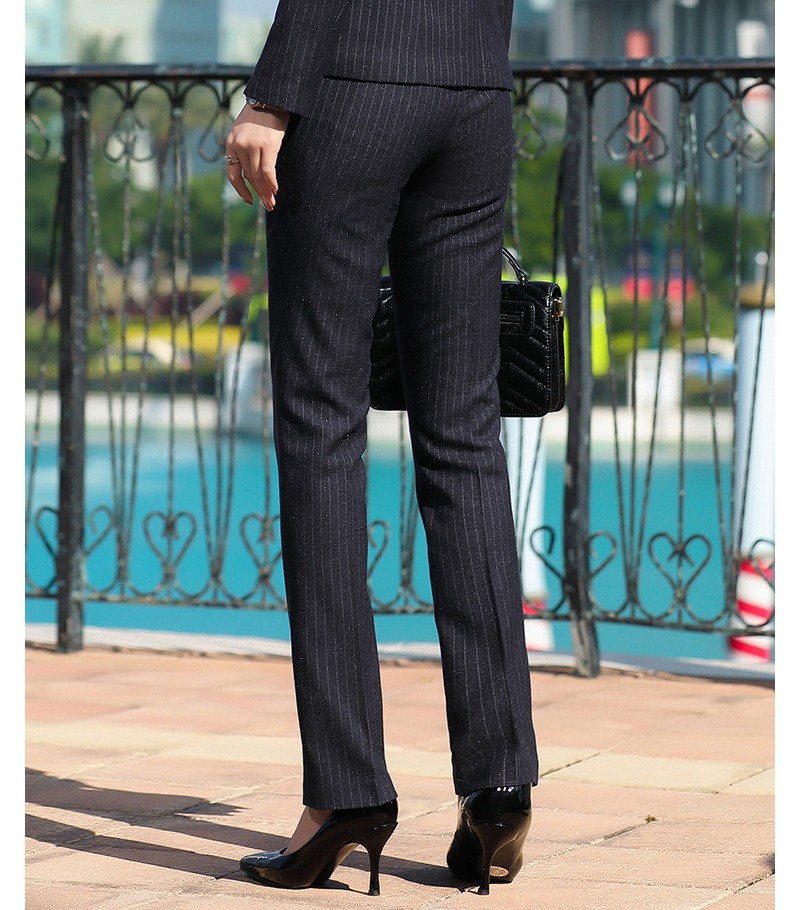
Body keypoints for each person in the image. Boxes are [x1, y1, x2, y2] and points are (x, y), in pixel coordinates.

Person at [224, 0, 539, 897]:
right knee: (465, 435)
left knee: (321, 426)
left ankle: (346, 791)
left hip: (352, 86)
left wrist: (272, 98)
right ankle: (500, 785)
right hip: (476, 92)